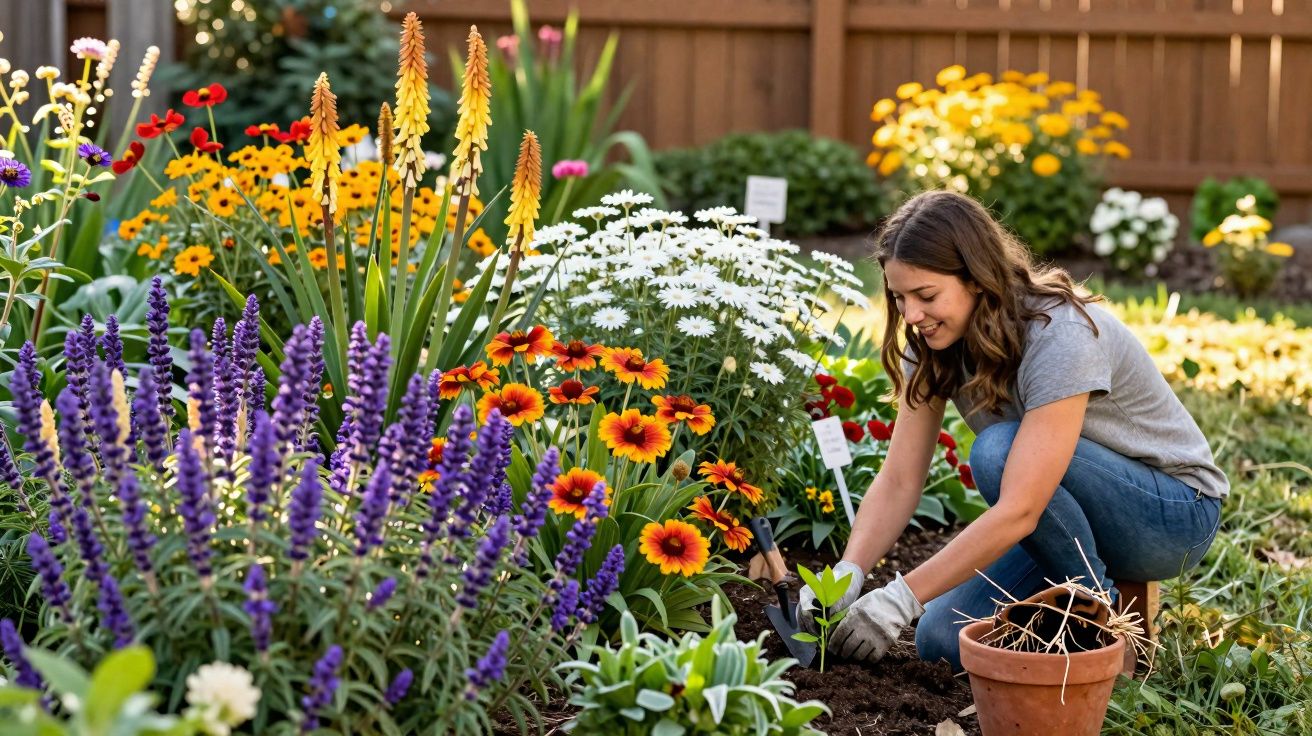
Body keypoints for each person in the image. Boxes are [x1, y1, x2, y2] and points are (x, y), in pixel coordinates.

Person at [798, 190, 1227, 671]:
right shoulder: (931, 343)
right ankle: (1076, 610)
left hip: (1173, 515)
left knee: (998, 450)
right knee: (942, 638)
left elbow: (1022, 508)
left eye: (927, 295)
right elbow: (900, 480)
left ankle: (1109, 633)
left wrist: (900, 597)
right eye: (900, 297)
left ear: (977, 280)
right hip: (1066, 516)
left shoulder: (1058, 333)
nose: (912, 316)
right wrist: (847, 573)